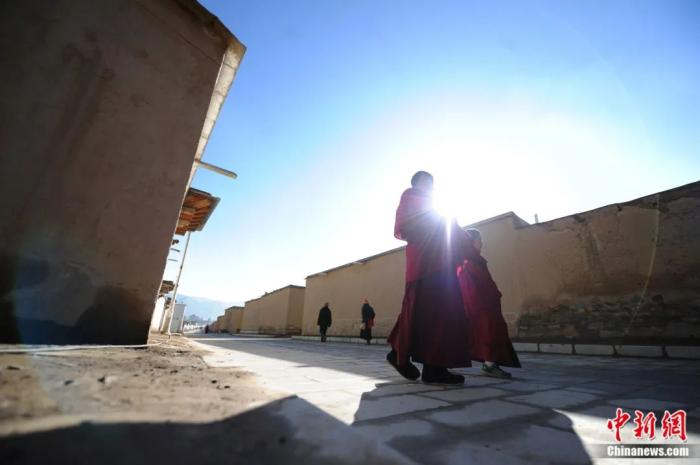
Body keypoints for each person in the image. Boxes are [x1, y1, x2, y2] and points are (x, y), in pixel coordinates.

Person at [386, 171, 475, 384]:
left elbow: (446, 227)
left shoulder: (433, 206)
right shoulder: (411, 197)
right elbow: (413, 224)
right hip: (426, 264)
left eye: (432, 183)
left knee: (429, 313)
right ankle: (431, 367)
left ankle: (404, 354)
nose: (430, 186)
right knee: (434, 312)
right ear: (416, 183)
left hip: (439, 264)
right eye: (426, 182)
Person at [458, 228, 520, 378]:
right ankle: (489, 365)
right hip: (481, 305)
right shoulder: (469, 261)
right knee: (488, 332)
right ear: (471, 242)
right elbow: (474, 285)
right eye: (479, 240)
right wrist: (490, 297)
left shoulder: (472, 260)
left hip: (483, 304)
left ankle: (488, 362)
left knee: (485, 332)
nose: (481, 243)